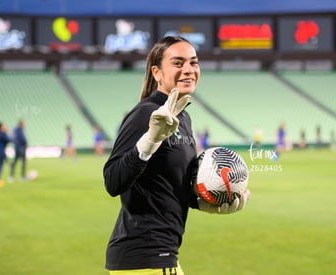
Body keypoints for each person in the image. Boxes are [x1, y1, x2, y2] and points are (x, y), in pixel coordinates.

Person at [103, 36, 249, 275]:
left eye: (194, 62)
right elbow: (113, 181)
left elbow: (167, 186)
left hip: (160, 257)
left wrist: (203, 202)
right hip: (145, 257)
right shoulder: (146, 115)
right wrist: (150, 140)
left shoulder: (183, 118)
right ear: (157, 72)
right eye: (178, 63)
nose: (189, 70)